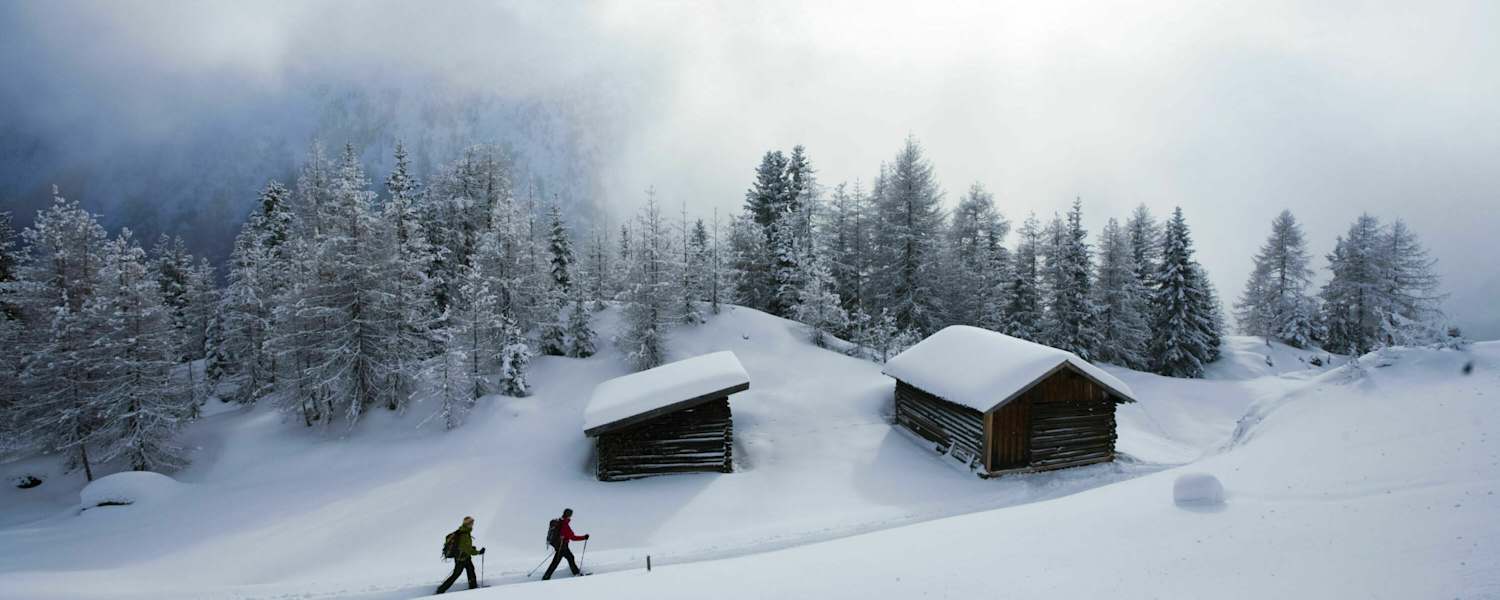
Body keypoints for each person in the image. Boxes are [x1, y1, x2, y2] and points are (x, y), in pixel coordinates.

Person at [436, 516, 486, 594]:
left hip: (465, 557)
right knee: (456, 575)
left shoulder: (465, 532)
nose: (473, 524)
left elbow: (465, 546)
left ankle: (473, 586)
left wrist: (472, 548)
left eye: (473, 523)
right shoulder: (464, 534)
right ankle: (441, 590)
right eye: (471, 523)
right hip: (461, 558)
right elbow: (467, 549)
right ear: (467, 524)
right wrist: (478, 552)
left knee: (471, 570)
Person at [542, 508, 590, 580]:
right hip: (562, 546)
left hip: (560, 546)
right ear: (569, 515)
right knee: (558, 561)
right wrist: (584, 537)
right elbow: (573, 537)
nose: (571, 516)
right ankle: (546, 577)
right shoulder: (565, 525)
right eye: (570, 515)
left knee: (569, 558)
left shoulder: (560, 521)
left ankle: (547, 576)